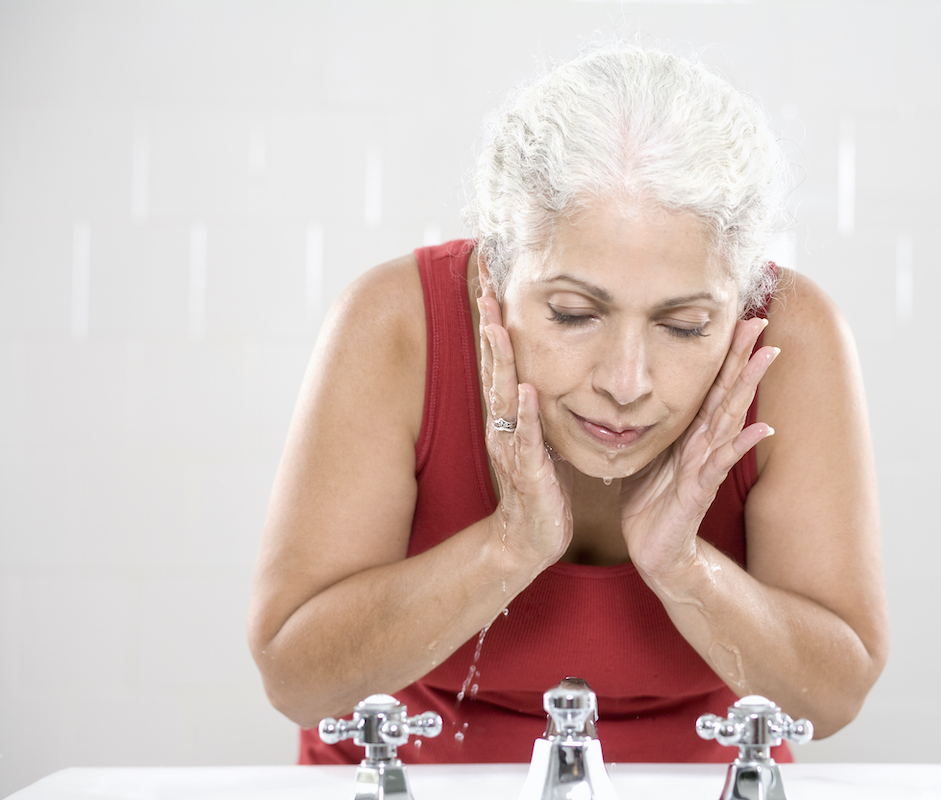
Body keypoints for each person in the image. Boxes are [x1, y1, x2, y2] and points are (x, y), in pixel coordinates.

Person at [247, 43, 888, 765]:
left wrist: (684, 567)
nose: (625, 382)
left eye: (684, 326)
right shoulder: (395, 325)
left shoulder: (788, 340)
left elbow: (831, 701)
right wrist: (508, 546)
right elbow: (296, 681)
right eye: (574, 313)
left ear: (739, 297)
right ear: (496, 270)